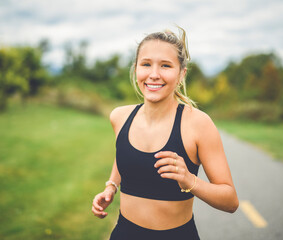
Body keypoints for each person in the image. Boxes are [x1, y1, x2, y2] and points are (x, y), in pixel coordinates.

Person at [92, 26, 239, 240]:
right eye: (146, 64)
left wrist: (190, 181)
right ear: (136, 69)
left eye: (165, 66)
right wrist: (111, 187)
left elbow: (231, 201)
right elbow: (123, 154)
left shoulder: (198, 124)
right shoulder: (119, 117)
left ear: (181, 74)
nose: (153, 74)